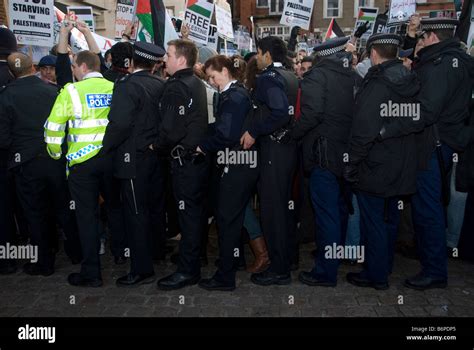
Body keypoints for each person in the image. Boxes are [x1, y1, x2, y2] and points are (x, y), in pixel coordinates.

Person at [379, 18, 474, 290]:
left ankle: (434, 271)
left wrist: (389, 125)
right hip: (443, 141)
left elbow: (425, 110)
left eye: (423, 37)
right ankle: (433, 265)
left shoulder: (441, 65)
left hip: (431, 144)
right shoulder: (452, 60)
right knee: (428, 206)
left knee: (427, 208)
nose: (420, 41)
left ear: (432, 37)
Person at [343, 33, 421, 290]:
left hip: (375, 164)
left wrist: (352, 163)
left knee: (373, 221)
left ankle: (375, 275)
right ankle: (383, 265)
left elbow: (364, 129)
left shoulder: (377, 83)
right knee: (390, 219)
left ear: (373, 53)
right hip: (402, 164)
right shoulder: (410, 78)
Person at [45, 50, 124, 287]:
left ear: (81, 67)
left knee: (87, 216)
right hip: (110, 159)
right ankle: (121, 252)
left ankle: (92, 272)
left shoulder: (70, 91)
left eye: (73, 67)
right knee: (115, 207)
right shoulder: (114, 87)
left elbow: (53, 126)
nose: (72, 71)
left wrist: (56, 154)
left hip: (82, 163)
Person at [0, 52, 82, 275]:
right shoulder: (51, 91)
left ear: (10, 72)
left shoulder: (6, 96)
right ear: (33, 67)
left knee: (35, 213)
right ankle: (77, 253)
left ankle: (44, 262)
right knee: (65, 208)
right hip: (55, 158)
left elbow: (4, 138)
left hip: (27, 164)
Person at [291, 36, 355, 287]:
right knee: (338, 210)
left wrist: (293, 133)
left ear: (321, 55)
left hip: (322, 154)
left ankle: (325, 272)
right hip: (345, 153)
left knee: (326, 213)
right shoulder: (351, 76)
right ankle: (333, 257)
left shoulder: (317, 77)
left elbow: (312, 114)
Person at [102, 42, 166, 287]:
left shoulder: (126, 86)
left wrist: (104, 148)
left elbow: (118, 125)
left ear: (131, 62)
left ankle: (141, 268)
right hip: (155, 156)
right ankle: (156, 252)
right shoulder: (161, 83)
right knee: (155, 206)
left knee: (136, 212)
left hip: (132, 158)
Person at [197, 55, 258, 291]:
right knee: (234, 216)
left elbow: (226, 135)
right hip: (241, 163)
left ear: (224, 70)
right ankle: (236, 261)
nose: (211, 82)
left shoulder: (233, 97)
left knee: (227, 220)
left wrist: (202, 145)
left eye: (213, 76)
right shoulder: (238, 92)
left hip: (236, 164)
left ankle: (225, 277)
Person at [241, 36, 298, 286]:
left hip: (274, 151)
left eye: (258, 53)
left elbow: (279, 112)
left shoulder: (268, 79)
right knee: (283, 210)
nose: (256, 57)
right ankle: (287, 259)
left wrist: (254, 131)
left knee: (273, 212)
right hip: (286, 150)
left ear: (266, 54)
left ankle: (279, 269)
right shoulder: (290, 75)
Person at [155, 40, 210, 291]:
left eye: (168, 54)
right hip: (195, 161)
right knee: (194, 215)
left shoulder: (177, 87)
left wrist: (155, 146)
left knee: (188, 215)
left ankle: (188, 271)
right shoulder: (196, 82)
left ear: (181, 59)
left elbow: (171, 130)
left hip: (184, 162)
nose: (164, 59)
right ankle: (192, 258)